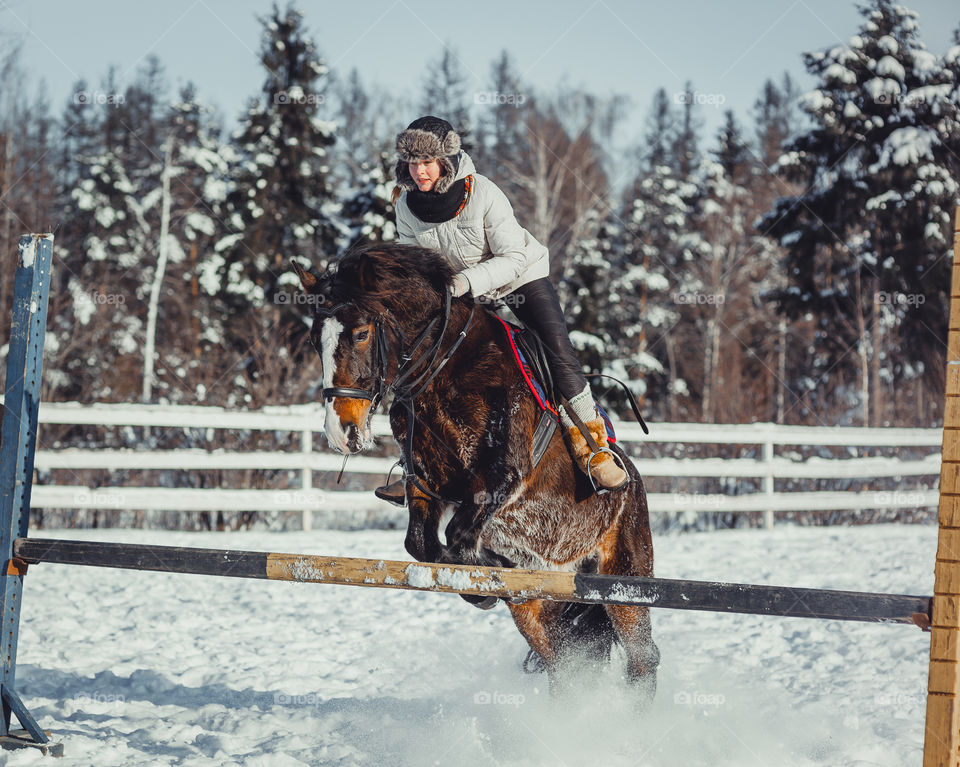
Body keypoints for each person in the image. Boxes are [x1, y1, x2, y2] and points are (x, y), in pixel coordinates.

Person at [378, 115, 627, 500]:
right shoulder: (406, 206)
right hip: (464, 294)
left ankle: (593, 448)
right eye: (412, 162)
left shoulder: (484, 193)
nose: (419, 170)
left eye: (427, 162)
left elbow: (512, 257)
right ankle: (416, 466)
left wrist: (463, 282)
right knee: (418, 356)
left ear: (446, 161)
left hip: (520, 279)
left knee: (556, 349)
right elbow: (420, 266)